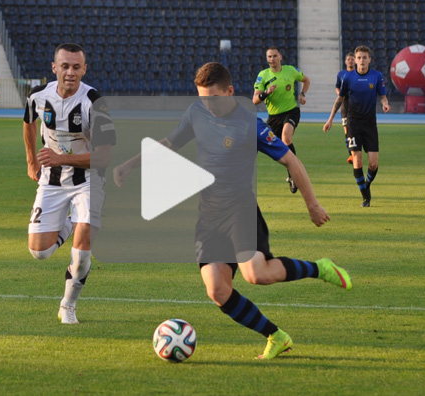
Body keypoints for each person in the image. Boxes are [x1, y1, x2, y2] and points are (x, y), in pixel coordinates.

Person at [114, 62, 351, 360]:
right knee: (217, 290)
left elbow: (291, 161)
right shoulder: (196, 114)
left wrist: (313, 205)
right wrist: (129, 165)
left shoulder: (250, 123)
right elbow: (167, 144)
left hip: (240, 210)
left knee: (257, 274)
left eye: (213, 99)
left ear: (229, 91)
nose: (208, 106)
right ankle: (276, 336)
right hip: (209, 214)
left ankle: (320, 267)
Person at [23, 43, 115, 325]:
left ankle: (68, 305)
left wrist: (60, 157)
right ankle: (69, 224)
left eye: (77, 67)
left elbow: (104, 157)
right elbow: (28, 123)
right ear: (54, 68)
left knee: (82, 254)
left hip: (88, 182)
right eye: (65, 66)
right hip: (51, 182)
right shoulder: (38, 96)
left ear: (84, 69)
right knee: (39, 252)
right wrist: (31, 161)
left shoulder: (95, 103)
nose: (70, 72)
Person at [323, 45, 391, 208]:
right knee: (357, 161)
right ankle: (365, 197)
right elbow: (339, 100)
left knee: (373, 163)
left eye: (364, 57)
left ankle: (366, 186)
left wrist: (385, 104)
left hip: (370, 124)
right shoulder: (348, 78)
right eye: (359, 57)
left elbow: (382, 96)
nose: (361, 60)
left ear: (369, 59)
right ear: (355, 59)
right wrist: (330, 119)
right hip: (353, 123)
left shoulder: (376, 76)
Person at [253, 46, 310, 194]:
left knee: (286, 137)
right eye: (269, 57)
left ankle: (293, 174)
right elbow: (254, 100)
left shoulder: (290, 70)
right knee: (261, 143)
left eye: (274, 56)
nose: (272, 59)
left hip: (291, 111)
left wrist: (302, 94)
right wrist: (266, 92)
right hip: (274, 117)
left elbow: (306, 80)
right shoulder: (263, 75)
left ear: (280, 57)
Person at [336, 52, 356, 164]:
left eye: (352, 59)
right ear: (345, 61)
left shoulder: (359, 73)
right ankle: (351, 155)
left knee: (356, 129)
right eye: (348, 59)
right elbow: (337, 87)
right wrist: (341, 95)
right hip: (345, 105)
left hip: (356, 104)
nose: (350, 61)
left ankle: (356, 152)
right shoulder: (341, 74)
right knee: (346, 130)